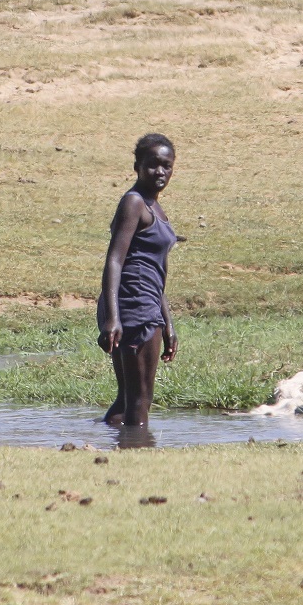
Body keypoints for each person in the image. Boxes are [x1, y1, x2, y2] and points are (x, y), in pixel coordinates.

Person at [98, 133, 179, 428]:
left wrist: (168, 322)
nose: (160, 172)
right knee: (140, 399)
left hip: (147, 304)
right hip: (133, 306)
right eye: (152, 165)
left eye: (166, 166)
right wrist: (113, 319)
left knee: (128, 398)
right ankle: (137, 454)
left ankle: (109, 447)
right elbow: (115, 260)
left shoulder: (154, 206)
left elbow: (156, 272)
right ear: (137, 166)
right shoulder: (133, 203)